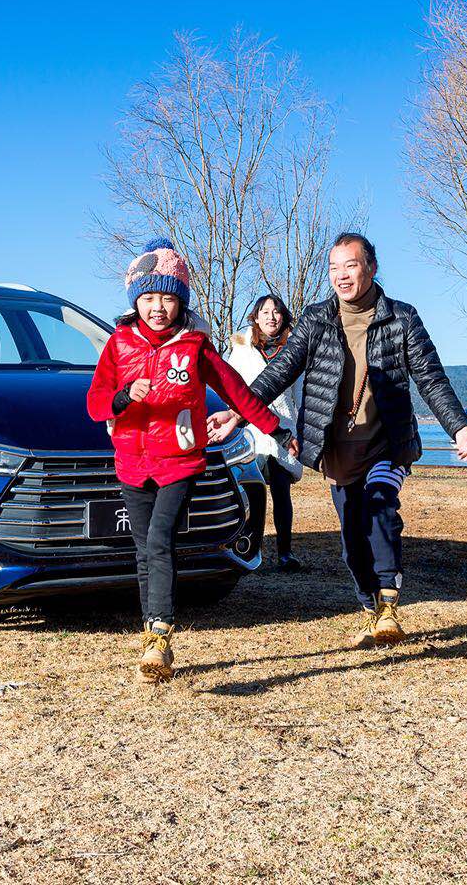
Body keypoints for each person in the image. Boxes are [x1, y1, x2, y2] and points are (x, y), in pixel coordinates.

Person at [208, 233, 467, 647]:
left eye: (349, 265)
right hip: (336, 447)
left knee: (380, 506)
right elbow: (279, 372)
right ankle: (370, 608)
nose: (341, 275)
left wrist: (458, 425)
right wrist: (237, 412)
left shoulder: (402, 318)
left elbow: (431, 377)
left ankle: (389, 604)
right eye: (334, 267)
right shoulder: (317, 319)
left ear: (371, 267)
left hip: (387, 441)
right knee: (352, 539)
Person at [86, 238, 292, 684]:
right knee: (145, 549)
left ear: (180, 300)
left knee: (159, 539)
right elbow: (96, 402)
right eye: (148, 297)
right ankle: (152, 635)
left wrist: (277, 430)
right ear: (135, 300)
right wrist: (123, 398)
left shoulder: (196, 346)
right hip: (131, 462)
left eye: (166, 297)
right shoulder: (119, 344)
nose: (157, 307)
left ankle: (160, 632)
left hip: (179, 459)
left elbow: (238, 391)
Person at [227, 294, 306, 572]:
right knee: (251, 490)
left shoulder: (295, 350)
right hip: (250, 429)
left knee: (282, 490)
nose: (271, 317)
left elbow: (301, 395)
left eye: (276, 312)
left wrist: (301, 428)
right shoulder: (241, 349)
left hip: (283, 429)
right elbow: (230, 386)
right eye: (265, 312)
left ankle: (285, 552)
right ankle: (250, 549)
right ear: (256, 317)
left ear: (283, 316)